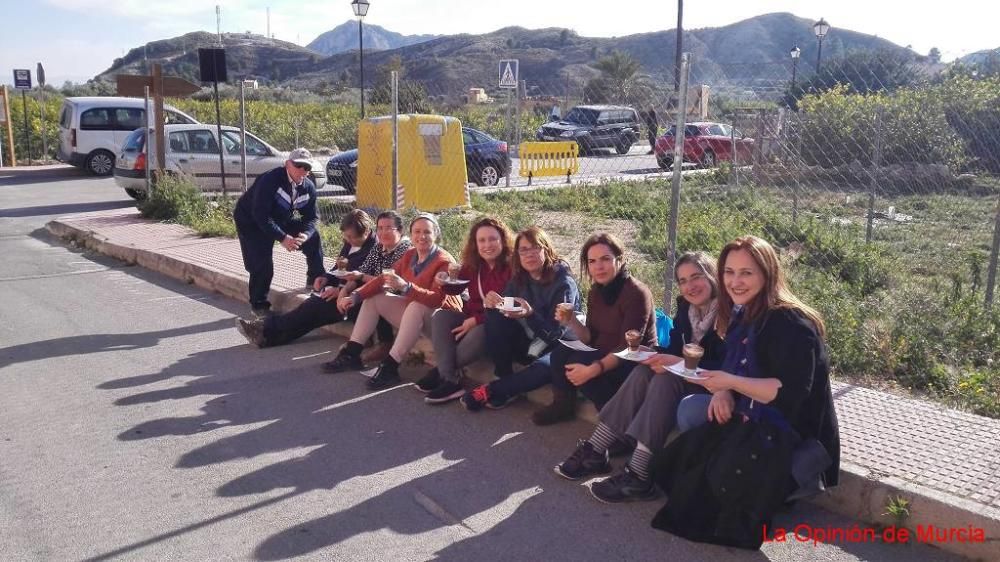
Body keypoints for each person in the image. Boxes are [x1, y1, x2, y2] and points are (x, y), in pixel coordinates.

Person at [650, 235, 840, 549]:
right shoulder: (744, 312)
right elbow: (732, 366)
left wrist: (729, 384)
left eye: (746, 273)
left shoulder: (791, 323)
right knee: (686, 444)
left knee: (719, 507)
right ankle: (751, 481)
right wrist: (723, 392)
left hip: (791, 434)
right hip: (752, 415)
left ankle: (786, 484)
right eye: (729, 272)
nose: (736, 282)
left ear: (768, 274)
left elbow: (786, 395)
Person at [554, 251, 726, 503]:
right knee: (647, 367)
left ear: (712, 276)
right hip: (689, 375)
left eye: (696, 277)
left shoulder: (729, 313)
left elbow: (725, 365)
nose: (690, 286)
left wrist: (674, 362)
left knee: (665, 378)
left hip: (717, 386)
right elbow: (674, 350)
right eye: (683, 280)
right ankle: (596, 449)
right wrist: (654, 355)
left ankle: (639, 473)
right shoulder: (686, 308)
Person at [321, 213, 462, 390]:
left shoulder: (443, 261)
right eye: (417, 232)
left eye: (427, 232)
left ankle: (391, 366)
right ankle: (352, 353)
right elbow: (384, 279)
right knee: (375, 298)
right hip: (416, 316)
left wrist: (406, 287)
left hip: (442, 323)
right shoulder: (411, 255)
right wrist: (355, 296)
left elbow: (436, 300)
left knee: (417, 305)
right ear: (411, 235)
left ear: (436, 235)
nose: (422, 236)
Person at [234, 210, 410, 349]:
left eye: (388, 228)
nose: (348, 241)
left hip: (370, 298)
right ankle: (268, 337)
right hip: (355, 293)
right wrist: (327, 279)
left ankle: (264, 328)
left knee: (315, 308)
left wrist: (342, 290)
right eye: (381, 228)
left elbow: (380, 281)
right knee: (312, 309)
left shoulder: (392, 249)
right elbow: (346, 270)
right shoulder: (374, 247)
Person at [532, 233, 656, 426]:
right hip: (604, 349)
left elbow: (627, 348)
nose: (599, 266)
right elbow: (589, 336)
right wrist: (571, 320)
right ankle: (563, 405)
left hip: (633, 359)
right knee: (559, 355)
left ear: (620, 260)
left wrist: (593, 370)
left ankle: (617, 425)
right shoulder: (596, 291)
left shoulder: (636, 293)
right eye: (592, 261)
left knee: (580, 366)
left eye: (606, 259)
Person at [460, 226, 582, 411]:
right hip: (530, 344)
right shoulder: (519, 278)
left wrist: (530, 315)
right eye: (524, 250)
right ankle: (504, 375)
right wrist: (494, 302)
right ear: (518, 254)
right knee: (493, 316)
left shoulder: (563, 283)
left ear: (546, 250)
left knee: (545, 368)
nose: (529, 254)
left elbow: (555, 334)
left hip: (557, 347)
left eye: (536, 248)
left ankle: (496, 389)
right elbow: (505, 306)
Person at [417, 217, 515, 404]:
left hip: (498, 324)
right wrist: (444, 280)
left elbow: (508, 308)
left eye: (493, 239)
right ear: (475, 244)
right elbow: (456, 287)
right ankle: (450, 379)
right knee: (441, 316)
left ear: (503, 240)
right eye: (482, 240)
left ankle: (442, 373)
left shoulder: (511, 268)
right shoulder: (474, 265)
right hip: (471, 316)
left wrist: (476, 320)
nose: (487, 245)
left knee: (481, 330)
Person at [233, 148, 324, 318]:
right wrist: (283, 238)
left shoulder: (308, 187)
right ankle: (259, 305)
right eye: (299, 166)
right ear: (287, 164)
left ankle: (316, 281)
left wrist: (305, 234)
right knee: (262, 263)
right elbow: (260, 215)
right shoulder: (269, 180)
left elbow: (312, 218)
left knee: (314, 238)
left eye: (307, 168)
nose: (303, 171)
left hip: (280, 217)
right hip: (251, 221)